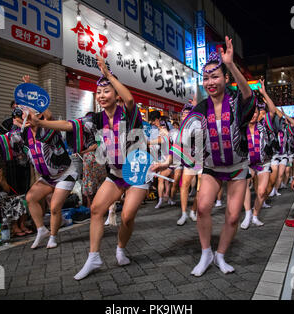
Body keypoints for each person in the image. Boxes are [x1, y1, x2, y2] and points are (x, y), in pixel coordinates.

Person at [28, 55, 147, 280]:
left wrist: (108, 74)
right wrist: (40, 123)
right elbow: (69, 125)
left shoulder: (129, 114)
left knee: (127, 217)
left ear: (115, 94)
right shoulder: (96, 119)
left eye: (107, 91)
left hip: (137, 172)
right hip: (115, 174)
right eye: (99, 92)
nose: (102, 96)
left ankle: (120, 249)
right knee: (96, 210)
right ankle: (94, 257)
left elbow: (130, 100)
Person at [153, 36, 256, 275]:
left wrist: (230, 63)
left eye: (215, 76)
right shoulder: (199, 110)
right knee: (202, 207)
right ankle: (206, 252)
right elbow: (184, 141)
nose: (210, 82)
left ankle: (220, 256)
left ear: (226, 78)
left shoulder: (237, 101)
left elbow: (249, 96)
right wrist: (167, 162)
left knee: (232, 217)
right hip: (211, 167)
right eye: (206, 77)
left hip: (238, 166)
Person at [0, 80, 78, 249]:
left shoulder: (48, 128)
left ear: (38, 115)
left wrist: (32, 93)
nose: (26, 116)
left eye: (30, 112)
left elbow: (50, 116)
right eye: (24, 113)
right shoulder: (22, 134)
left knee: (54, 207)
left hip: (64, 173)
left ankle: (53, 236)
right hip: (47, 177)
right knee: (30, 198)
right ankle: (41, 230)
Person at [241, 79, 281, 229]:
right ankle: (247, 214)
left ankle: (256, 215)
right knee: (245, 183)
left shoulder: (264, 125)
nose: (253, 115)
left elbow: (272, 110)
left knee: (262, 191)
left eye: (255, 112)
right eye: (250, 112)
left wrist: (264, 93)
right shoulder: (241, 127)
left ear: (258, 114)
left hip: (263, 163)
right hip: (247, 163)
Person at [0, 101, 31, 195]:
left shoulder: (28, 122)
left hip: (27, 160)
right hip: (11, 161)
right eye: (15, 108)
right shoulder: (6, 123)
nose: (17, 111)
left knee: (28, 184)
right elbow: (0, 141)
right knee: (13, 184)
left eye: (19, 108)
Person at [79, 112, 107, 209]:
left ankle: (94, 207)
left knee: (93, 183)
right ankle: (93, 207)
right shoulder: (88, 132)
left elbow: (97, 144)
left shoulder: (96, 131)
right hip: (92, 159)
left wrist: (83, 151)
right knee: (93, 183)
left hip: (94, 158)